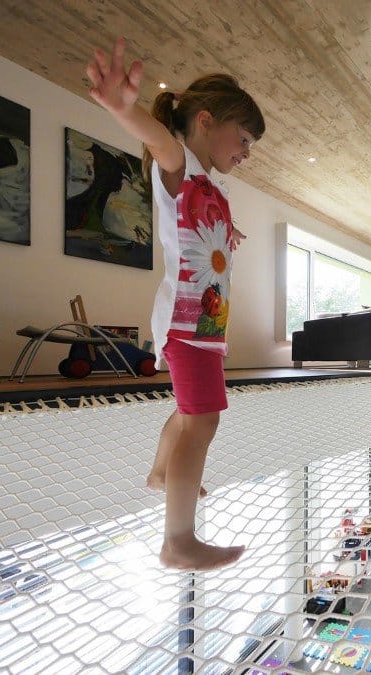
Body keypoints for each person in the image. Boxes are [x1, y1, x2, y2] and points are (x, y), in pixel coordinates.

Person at [86, 37, 265, 570]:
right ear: (207, 120)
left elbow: (199, 233)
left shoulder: (206, 184)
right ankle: (178, 540)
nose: (248, 150)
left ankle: (163, 473)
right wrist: (123, 107)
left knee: (188, 415)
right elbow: (159, 139)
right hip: (189, 323)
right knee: (203, 421)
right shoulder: (180, 163)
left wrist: (225, 235)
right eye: (245, 136)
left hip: (199, 323)